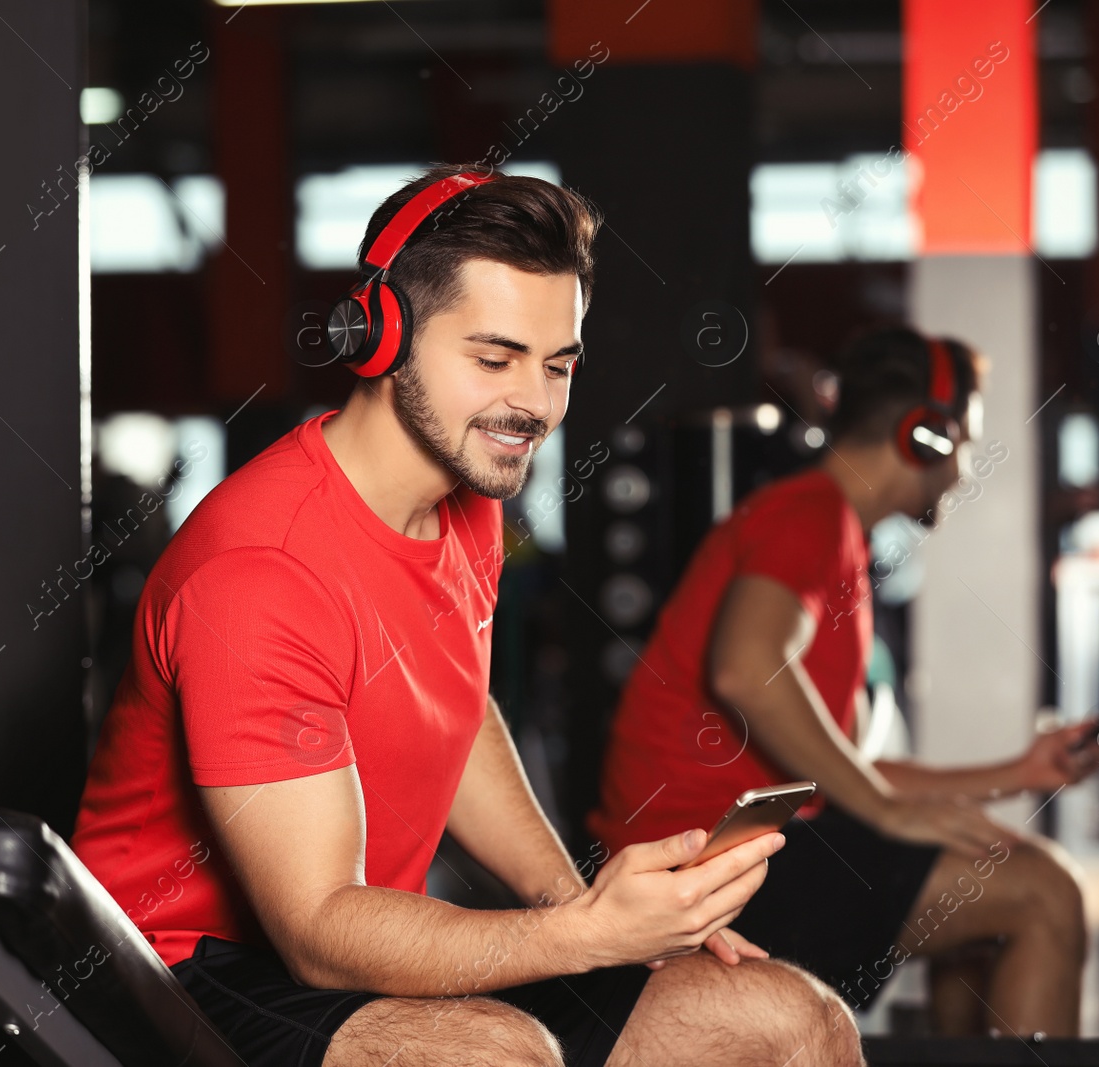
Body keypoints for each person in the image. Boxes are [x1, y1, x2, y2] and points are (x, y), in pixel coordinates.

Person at [70, 163, 864, 1067]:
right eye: (493, 359)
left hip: (361, 943)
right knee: (496, 1057)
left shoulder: (468, 498)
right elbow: (318, 929)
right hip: (182, 975)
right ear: (382, 339)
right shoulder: (263, 574)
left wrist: (576, 905)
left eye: (556, 364)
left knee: (791, 1020)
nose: (532, 402)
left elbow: (461, 709)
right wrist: (590, 938)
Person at [588, 327, 1099, 1038]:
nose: (960, 469)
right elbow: (747, 669)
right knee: (1046, 893)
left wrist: (1023, 769)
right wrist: (886, 809)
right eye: (962, 443)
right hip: (700, 866)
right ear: (923, 434)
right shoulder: (812, 515)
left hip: (740, 849)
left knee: (987, 898)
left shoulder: (827, 526)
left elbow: (848, 770)